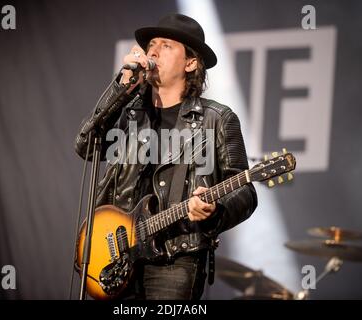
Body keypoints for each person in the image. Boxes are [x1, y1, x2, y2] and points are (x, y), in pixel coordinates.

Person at [75, 13, 257, 300]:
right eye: (152, 45)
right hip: (117, 256)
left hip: (177, 258)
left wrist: (214, 213)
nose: (153, 51)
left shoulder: (217, 118)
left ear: (191, 62)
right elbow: (86, 146)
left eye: (166, 45)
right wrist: (121, 87)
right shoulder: (129, 113)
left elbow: (245, 190)